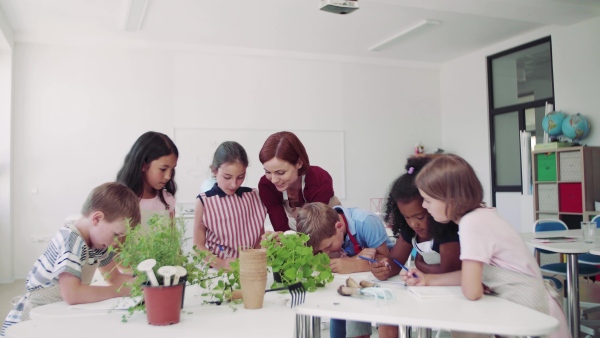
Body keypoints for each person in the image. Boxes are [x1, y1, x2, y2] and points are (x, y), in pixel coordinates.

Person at [402, 154, 570, 338]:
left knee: (464, 322)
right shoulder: (479, 216)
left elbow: (472, 291)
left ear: (450, 199)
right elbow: (476, 275)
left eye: (428, 200)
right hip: (525, 304)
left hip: (530, 309)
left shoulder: (472, 223)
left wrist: (474, 285)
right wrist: (427, 279)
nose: (425, 206)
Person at [1, 182, 141, 336]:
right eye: (116, 234)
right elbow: (72, 294)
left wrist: (143, 284)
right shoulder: (72, 240)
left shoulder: (99, 245)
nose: (116, 242)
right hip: (37, 314)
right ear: (97, 219)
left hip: (58, 310)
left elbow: (115, 278)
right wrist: (117, 292)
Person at [370, 156, 461, 338]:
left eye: (419, 217)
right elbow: (396, 260)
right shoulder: (409, 230)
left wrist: (420, 266)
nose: (413, 224)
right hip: (425, 292)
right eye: (406, 217)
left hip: (453, 297)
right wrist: (385, 268)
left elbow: (449, 270)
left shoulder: (447, 230)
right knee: (387, 317)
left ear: (432, 204)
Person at [296, 202, 394, 338]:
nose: (325, 253)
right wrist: (355, 259)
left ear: (339, 226)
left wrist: (352, 265)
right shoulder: (324, 234)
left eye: (329, 247)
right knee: (339, 310)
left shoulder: (366, 222)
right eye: (321, 250)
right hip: (353, 281)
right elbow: (320, 263)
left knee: (385, 319)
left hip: (383, 280)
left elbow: (385, 260)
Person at [193, 141, 267, 269]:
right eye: (227, 177)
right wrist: (221, 263)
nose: (234, 184)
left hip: (250, 268)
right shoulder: (204, 202)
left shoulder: (254, 196)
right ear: (214, 170)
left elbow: (260, 237)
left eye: (241, 177)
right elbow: (198, 246)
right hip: (218, 271)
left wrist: (252, 258)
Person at [258, 131, 340, 232]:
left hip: (327, 229)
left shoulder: (319, 179)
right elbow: (281, 227)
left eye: (280, 172)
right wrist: (285, 241)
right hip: (296, 230)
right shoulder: (266, 184)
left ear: (299, 163)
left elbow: (315, 227)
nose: (274, 180)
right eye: (268, 171)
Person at [116, 131, 178, 222]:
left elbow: (172, 235)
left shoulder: (167, 200)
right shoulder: (118, 201)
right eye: (163, 169)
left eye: (172, 169)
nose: (168, 176)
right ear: (143, 165)